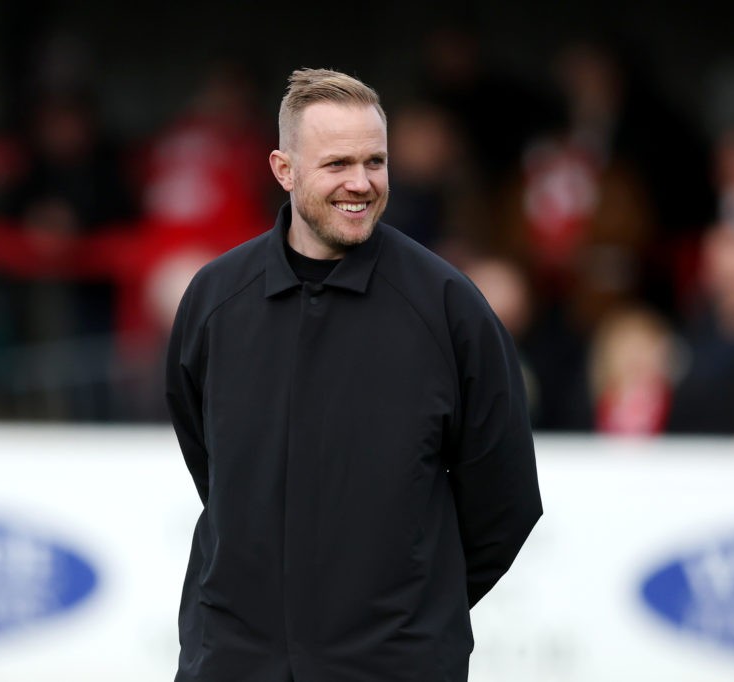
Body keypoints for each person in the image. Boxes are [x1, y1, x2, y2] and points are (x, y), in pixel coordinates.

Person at [165, 68, 542, 682]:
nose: (361, 183)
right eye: (337, 163)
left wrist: (408, 614)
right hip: (233, 661)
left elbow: (505, 499)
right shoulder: (215, 301)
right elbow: (211, 466)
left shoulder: (448, 308)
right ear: (283, 171)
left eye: (376, 161)